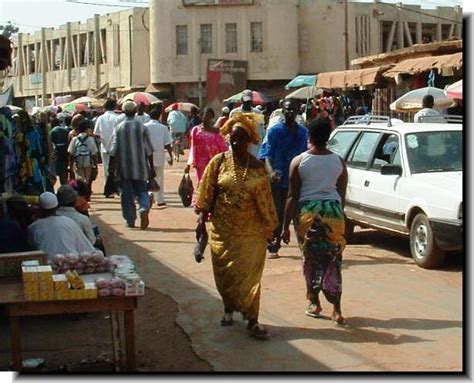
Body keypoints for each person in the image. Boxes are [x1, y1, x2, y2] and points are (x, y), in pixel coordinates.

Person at [195, 112, 278, 339]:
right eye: (232, 138)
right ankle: (229, 308)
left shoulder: (258, 168)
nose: (235, 142)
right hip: (222, 231)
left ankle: (252, 320)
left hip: (251, 234)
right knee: (226, 276)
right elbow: (206, 194)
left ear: (250, 140)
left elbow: (265, 203)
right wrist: (201, 222)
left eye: (240, 138)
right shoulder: (219, 162)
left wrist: (272, 230)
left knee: (250, 278)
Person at [282, 117, 348, 325]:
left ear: (309, 137)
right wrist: (336, 216)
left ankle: (314, 303)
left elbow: (292, 196)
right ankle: (336, 309)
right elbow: (341, 193)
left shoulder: (299, 161)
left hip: (307, 215)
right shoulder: (339, 161)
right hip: (333, 213)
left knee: (310, 260)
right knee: (333, 260)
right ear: (328, 137)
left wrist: (284, 227)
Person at [259, 98, 308, 259]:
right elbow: (266, 155)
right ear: (282, 110)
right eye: (287, 109)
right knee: (278, 213)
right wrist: (271, 172)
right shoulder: (274, 131)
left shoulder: (303, 132)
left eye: (293, 109)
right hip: (278, 180)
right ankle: (273, 244)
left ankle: (305, 247)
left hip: (297, 179)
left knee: (300, 215)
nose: (290, 112)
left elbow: (306, 154)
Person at [109, 101, 155, 230]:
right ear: (135, 111)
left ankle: (130, 219)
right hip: (140, 167)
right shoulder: (141, 127)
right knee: (142, 190)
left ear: (124, 112)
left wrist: (111, 168)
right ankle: (144, 207)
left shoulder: (118, 128)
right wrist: (151, 167)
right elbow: (149, 150)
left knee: (126, 194)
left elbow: (113, 150)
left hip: (123, 168)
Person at [27, 192, 98, 261]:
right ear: (56, 206)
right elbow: (86, 247)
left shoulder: (33, 227)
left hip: (47, 266)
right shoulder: (69, 222)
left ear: (40, 208)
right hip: (71, 263)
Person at [184, 107, 228, 191]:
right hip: (200, 163)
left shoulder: (216, 132)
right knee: (202, 183)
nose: (207, 118)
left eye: (210, 116)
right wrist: (188, 164)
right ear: (201, 116)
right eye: (206, 116)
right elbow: (192, 146)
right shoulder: (195, 130)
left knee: (213, 184)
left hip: (214, 162)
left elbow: (223, 148)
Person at [145, 104, 173, 207]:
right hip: (160, 155)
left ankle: (149, 194)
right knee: (160, 178)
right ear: (159, 116)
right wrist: (170, 156)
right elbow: (168, 144)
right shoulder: (163, 128)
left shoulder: (144, 127)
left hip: (147, 156)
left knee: (147, 177)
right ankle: (160, 199)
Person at [93, 98, 119, 196]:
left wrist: (102, 141)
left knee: (106, 168)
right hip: (116, 147)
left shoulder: (100, 118)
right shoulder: (117, 118)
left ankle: (108, 189)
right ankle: (116, 188)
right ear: (114, 107)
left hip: (104, 147)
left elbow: (96, 134)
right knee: (116, 169)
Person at [229, 89, 265, 157]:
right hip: (238, 146)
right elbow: (229, 130)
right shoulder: (235, 113)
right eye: (245, 101)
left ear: (252, 100)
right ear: (242, 100)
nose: (247, 103)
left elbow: (261, 131)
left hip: (254, 148)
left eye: (248, 101)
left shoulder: (257, 113)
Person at [67, 119, 99, 184]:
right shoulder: (90, 139)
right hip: (88, 162)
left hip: (78, 162)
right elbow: (94, 153)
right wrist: (96, 165)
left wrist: (70, 164)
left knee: (79, 179)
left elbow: (71, 153)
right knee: (87, 179)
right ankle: (86, 189)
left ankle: (81, 190)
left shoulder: (75, 139)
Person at [50, 113, 70, 186]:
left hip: (57, 154)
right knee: (63, 173)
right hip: (65, 153)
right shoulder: (64, 130)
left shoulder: (52, 132)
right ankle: (64, 187)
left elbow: (52, 144)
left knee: (54, 172)